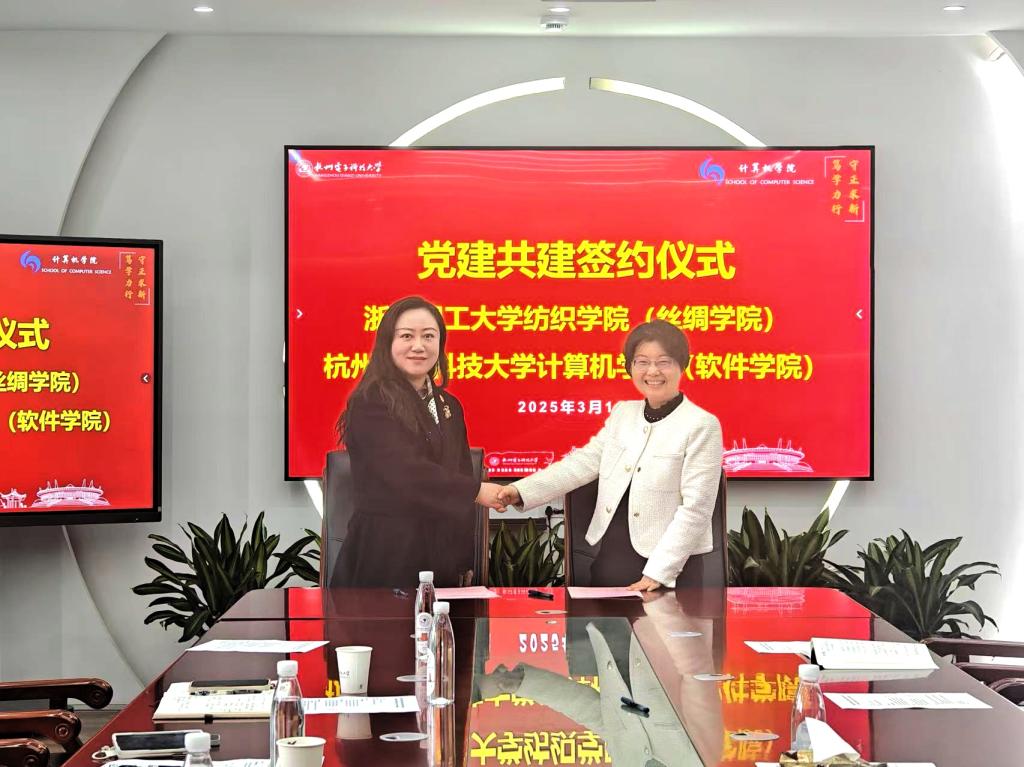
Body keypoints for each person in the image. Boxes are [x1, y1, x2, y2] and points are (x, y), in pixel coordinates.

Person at [497, 321, 722, 590]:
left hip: (671, 568)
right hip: (611, 557)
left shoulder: (701, 424)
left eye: (663, 362)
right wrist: (520, 491)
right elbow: (581, 464)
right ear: (630, 367)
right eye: (642, 362)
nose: (652, 371)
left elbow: (697, 508)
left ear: (682, 365)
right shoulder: (622, 414)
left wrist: (659, 573)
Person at [334, 296, 505, 588]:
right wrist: (476, 490)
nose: (418, 346)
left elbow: (462, 472)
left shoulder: (449, 405)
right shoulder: (370, 401)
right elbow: (404, 472)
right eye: (406, 336)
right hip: (386, 555)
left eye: (428, 336)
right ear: (388, 342)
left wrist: (464, 559)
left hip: (442, 558)